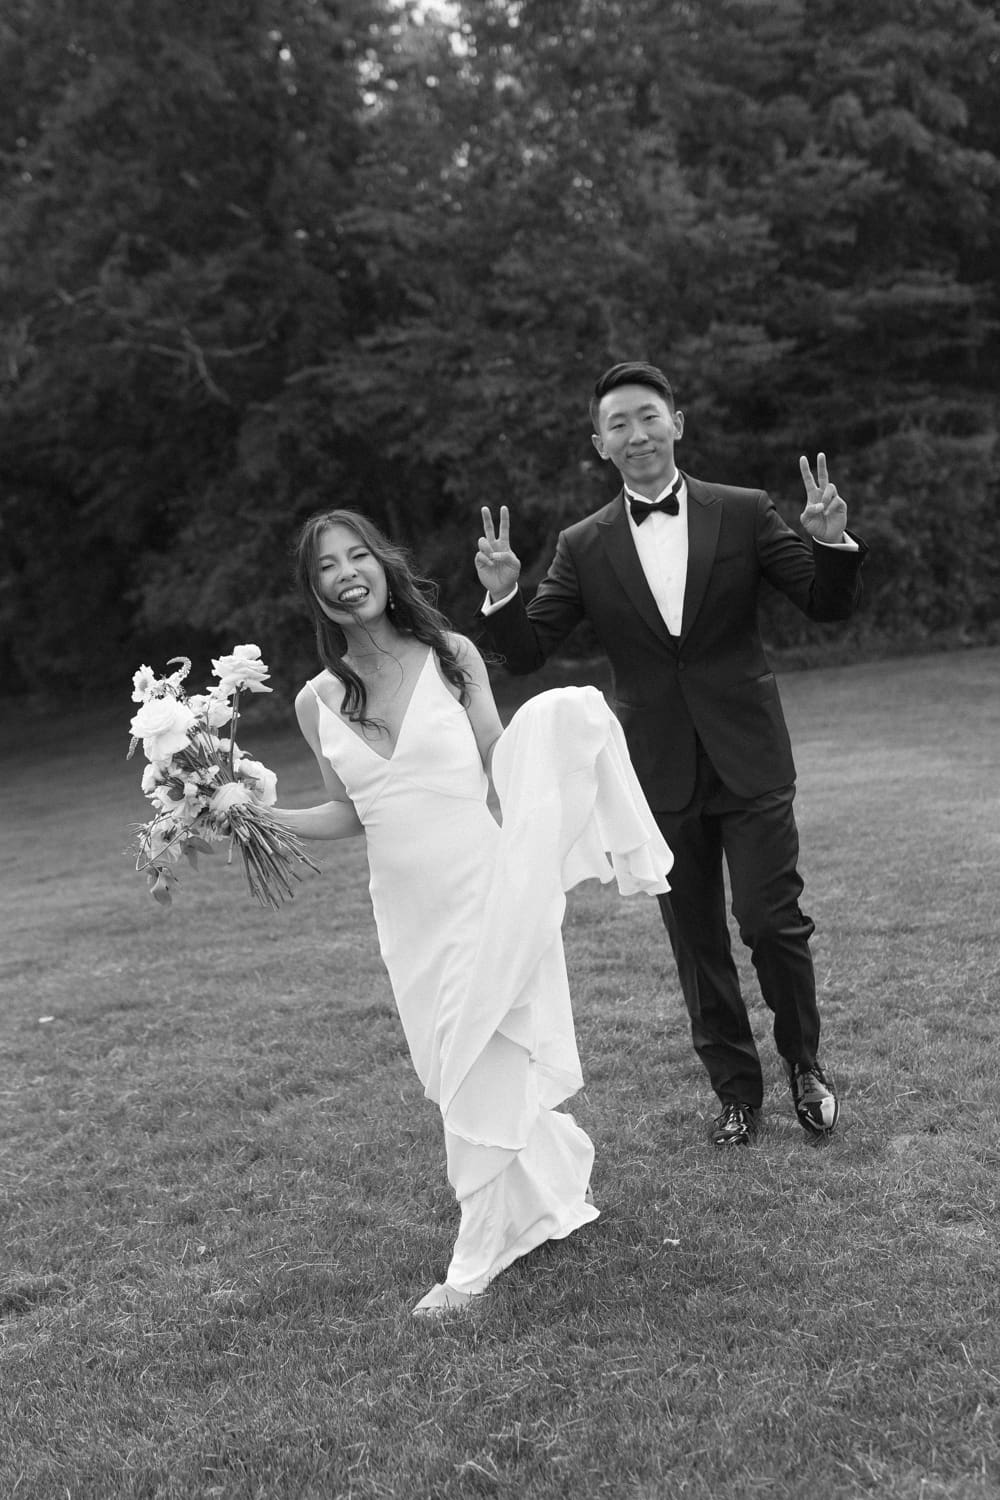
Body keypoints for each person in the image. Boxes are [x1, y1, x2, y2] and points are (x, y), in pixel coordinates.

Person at [271, 509, 672, 1314]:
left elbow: (498, 758)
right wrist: (249, 812)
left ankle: (473, 1261)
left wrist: (561, 729)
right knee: (451, 1062)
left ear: (385, 567)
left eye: (358, 557)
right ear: (313, 591)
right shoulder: (315, 702)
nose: (347, 573)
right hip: (406, 912)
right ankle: (549, 1194)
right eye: (326, 567)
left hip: (483, 887)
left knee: (472, 1068)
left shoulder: (450, 656)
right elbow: (349, 812)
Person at [475, 360, 868, 1149]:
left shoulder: (745, 510)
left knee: (769, 919)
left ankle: (804, 1064)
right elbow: (527, 652)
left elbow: (826, 606)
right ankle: (735, 1093)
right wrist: (503, 594)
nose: (636, 433)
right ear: (599, 443)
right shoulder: (583, 545)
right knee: (695, 940)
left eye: (648, 416)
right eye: (617, 423)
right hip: (655, 772)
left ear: (677, 424)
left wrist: (830, 544)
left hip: (750, 754)